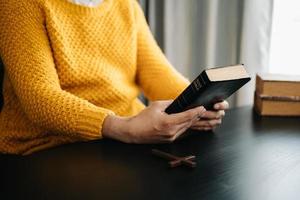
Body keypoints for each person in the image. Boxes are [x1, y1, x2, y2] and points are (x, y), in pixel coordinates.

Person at [0, 0, 228, 155]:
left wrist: (198, 103)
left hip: (125, 137)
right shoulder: (19, 4)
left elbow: (157, 74)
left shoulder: (124, 3)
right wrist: (123, 127)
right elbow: (40, 98)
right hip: (49, 147)